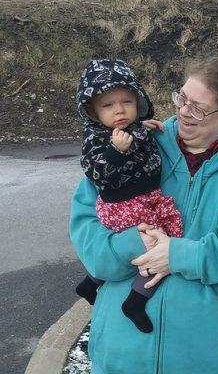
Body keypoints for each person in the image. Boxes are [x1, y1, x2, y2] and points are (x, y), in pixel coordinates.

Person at [69, 56, 218, 373]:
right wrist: (135, 244)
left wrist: (179, 255)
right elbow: (89, 237)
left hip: (213, 359)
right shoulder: (138, 144)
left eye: (199, 108)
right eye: (182, 99)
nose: (185, 112)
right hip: (125, 358)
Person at [74, 59, 183, 334]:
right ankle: (136, 300)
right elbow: (95, 173)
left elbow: (138, 136)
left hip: (144, 199)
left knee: (165, 241)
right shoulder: (98, 138)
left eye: (126, 102)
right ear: (93, 110)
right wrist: (114, 151)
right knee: (162, 243)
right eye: (108, 106)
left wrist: (148, 127)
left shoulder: (134, 128)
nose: (119, 111)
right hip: (124, 205)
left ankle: (90, 283)